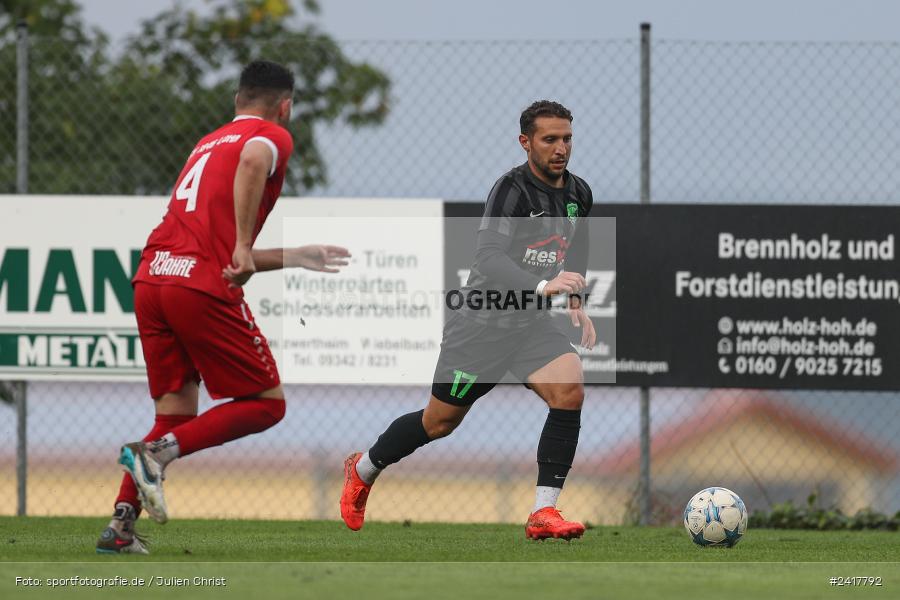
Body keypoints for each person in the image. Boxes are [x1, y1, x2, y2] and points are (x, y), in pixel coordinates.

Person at [96, 60, 350, 554]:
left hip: (153, 279)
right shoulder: (271, 135)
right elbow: (255, 162)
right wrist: (240, 244)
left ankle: (121, 527)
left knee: (174, 412)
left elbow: (208, 239)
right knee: (266, 404)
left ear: (237, 99)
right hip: (197, 285)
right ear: (285, 105)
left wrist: (293, 256)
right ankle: (156, 457)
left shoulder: (207, 143)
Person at [340, 100, 595, 540]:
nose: (561, 148)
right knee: (439, 422)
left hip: (529, 326)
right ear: (526, 142)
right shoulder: (511, 191)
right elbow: (489, 258)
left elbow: (581, 240)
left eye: (567, 138)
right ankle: (363, 469)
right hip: (480, 327)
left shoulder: (578, 193)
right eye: (550, 139)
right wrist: (541, 286)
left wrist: (576, 297)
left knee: (569, 389)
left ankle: (543, 513)